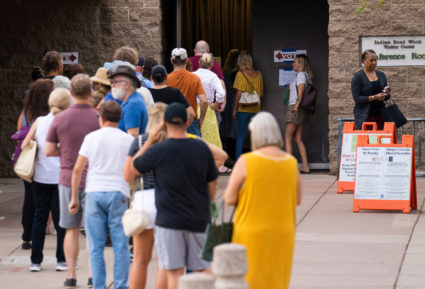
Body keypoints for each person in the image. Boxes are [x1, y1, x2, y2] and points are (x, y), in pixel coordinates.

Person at [130, 103, 218, 289]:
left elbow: (134, 167)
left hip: (169, 220)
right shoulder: (201, 148)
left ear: (164, 123)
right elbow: (212, 184)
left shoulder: (158, 150)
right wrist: (206, 205)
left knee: (173, 271)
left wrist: (148, 141)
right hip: (198, 218)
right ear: (187, 122)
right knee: (203, 268)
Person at [224, 112, 302, 289]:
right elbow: (297, 199)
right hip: (283, 231)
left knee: (251, 279)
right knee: (277, 279)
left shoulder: (246, 161)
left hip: (250, 230)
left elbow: (229, 199)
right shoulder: (291, 163)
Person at [70, 101, 133, 289]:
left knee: (96, 245)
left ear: (101, 118)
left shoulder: (91, 138)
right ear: (119, 118)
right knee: (120, 244)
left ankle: (98, 285)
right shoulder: (127, 139)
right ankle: (121, 285)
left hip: (94, 192)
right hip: (118, 192)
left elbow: (77, 170)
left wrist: (74, 197)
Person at [45, 74, 99, 288]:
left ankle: (70, 275)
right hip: (93, 178)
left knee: (71, 229)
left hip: (68, 178)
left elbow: (49, 150)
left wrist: (66, 151)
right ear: (91, 92)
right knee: (93, 230)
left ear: (71, 93)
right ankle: (93, 275)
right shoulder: (97, 118)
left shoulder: (60, 119)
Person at [21, 88, 71, 272]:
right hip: (61, 177)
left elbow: (26, 143)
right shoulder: (67, 122)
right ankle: (61, 259)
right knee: (61, 220)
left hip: (40, 176)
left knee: (39, 218)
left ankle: (35, 260)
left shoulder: (39, 121)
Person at [124, 103, 167, 289]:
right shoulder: (173, 141)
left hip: (144, 201)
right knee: (164, 261)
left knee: (140, 259)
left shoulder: (139, 142)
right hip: (168, 200)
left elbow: (127, 175)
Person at [16, 79, 54, 250]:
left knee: (29, 198)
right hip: (47, 161)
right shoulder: (50, 115)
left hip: (29, 161)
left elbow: (20, 134)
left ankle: (27, 236)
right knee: (48, 201)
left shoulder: (26, 113)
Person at [167, 48, 208, 137]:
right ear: (186, 60)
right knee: (195, 150)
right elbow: (204, 101)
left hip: (172, 122)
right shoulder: (194, 78)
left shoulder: (166, 79)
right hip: (191, 121)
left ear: (171, 61)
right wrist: (201, 119)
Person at [284, 54, 313, 174]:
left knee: (288, 137)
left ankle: (289, 167)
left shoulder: (301, 75)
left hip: (296, 108)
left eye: (295, 62)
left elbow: (300, 94)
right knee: (298, 138)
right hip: (303, 110)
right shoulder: (306, 76)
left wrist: (295, 107)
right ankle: (305, 166)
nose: (293, 63)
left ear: (301, 63)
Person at [232, 51, 263, 160]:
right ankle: (257, 161)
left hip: (243, 109)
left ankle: (238, 162)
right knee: (255, 136)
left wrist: (234, 109)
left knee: (240, 137)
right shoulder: (258, 74)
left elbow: (239, 94)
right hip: (256, 109)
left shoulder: (240, 74)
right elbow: (261, 93)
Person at [352, 49, 391, 130]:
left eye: (376, 60)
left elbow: (385, 96)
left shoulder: (381, 75)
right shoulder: (358, 77)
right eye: (371, 60)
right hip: (365, 117)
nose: (374, 62)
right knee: (369, 140)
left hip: (381, 115)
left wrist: (386, 93)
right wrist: (374, 97)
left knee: (382, 140)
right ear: (364, 61)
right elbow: (357, 98)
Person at [193, 53, 225, 148]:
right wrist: (215, 105)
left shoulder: (193, 75)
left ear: (199, 63)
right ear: (211, 64)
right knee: (210, 136)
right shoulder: (213, 77)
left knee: (196, 135)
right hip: (207, 109)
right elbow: (221, 93)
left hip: (194, 108)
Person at [108, 65, 148, 137]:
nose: (112, 85)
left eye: (115, 82)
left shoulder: (133, 105)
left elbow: (132, 138)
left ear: (127, 84)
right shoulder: (133, 100)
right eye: (111, 82)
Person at [220, 49, 240, 166]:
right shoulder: (236, 73)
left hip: (225, 103)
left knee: (225, 130)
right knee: (234, 131)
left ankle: (226, 156)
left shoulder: (225, 72)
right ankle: (231, 158)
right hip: (233, 103)